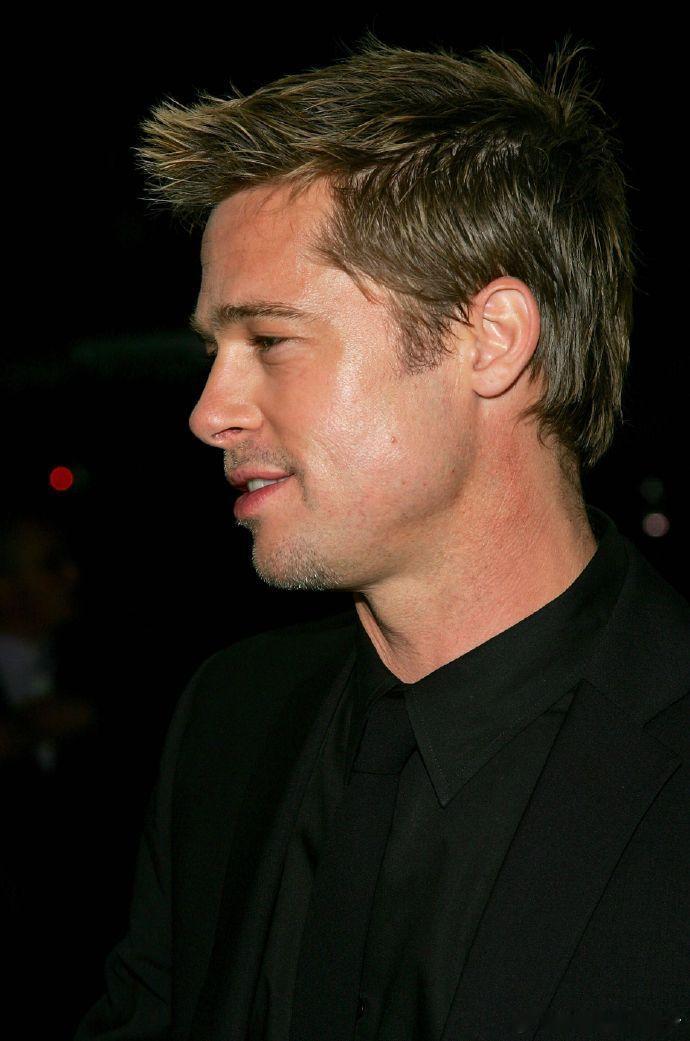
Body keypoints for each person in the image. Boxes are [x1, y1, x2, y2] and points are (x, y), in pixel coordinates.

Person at [74, 33, 689, 1041]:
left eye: (270, 340)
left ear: (491, 340)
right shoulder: (228, 722)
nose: (209, 411)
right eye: (214, 349)